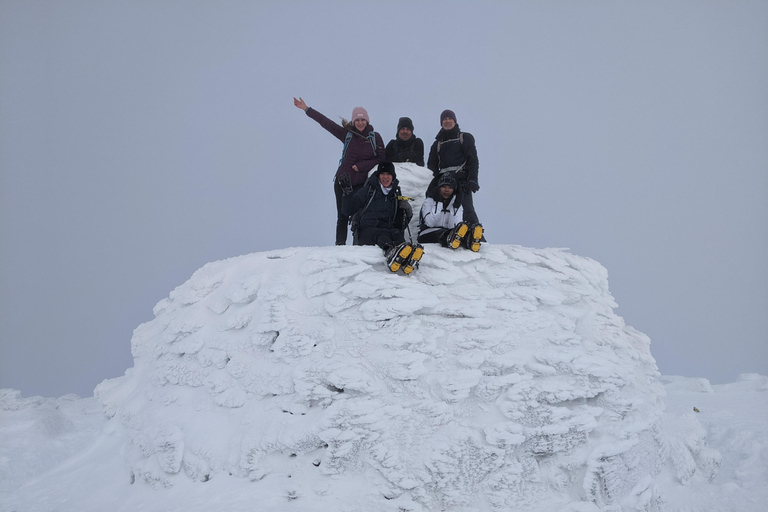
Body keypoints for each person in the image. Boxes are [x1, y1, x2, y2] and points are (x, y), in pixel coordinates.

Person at [293, 97, 385, 245]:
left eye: (363, 120)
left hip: (362, 184)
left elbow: (381, 159)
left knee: (360, 215)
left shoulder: (375, 137)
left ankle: (359, 246)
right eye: (357, 120)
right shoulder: (347, 135)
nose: (360, 123)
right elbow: (326, 123)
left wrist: (361, 166)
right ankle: (340, 247)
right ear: (353, 122)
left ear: (367, 121)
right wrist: (306, 109)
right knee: (342, 215)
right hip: (343, 181)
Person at [340, 162, 423, 274]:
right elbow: (347, 211)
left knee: (396, 233)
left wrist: (407, 212)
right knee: (381, 234)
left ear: (393, 177)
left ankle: (408, 258)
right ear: (378, 176)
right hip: (366, 230)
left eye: (388, 174)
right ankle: (390, 252)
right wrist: (347, 194)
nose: (385, 177)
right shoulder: (369, 191)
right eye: (383, 174)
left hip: (388, 229)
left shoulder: (395, 195)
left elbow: (400, 224)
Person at [426, 110, 482, 229]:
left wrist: (473, 179)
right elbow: (432, 164)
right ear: (441, 123)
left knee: (466, 209)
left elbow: (472, 160)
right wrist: (435, 182)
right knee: (444, 209)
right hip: (444, 181)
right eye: (444, 119)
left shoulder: (464, 138)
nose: (447, 121)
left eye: (449, 118)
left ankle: (475, 233)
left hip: (462, 181)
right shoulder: (437, 144)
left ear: (455, 121)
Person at [418, 173, 483, 252]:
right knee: (445, 235)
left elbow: (454, 226)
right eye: (444, 187)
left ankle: (471, 239)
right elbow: (430, 223)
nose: (447, 190)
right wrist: (439, 203)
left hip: (449, 231)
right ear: (439, 187)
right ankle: (453, 239)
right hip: (427, 233)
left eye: (450, 187)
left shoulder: (456, 204)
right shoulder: (429, 201)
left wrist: (455, 208)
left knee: (457, 234)